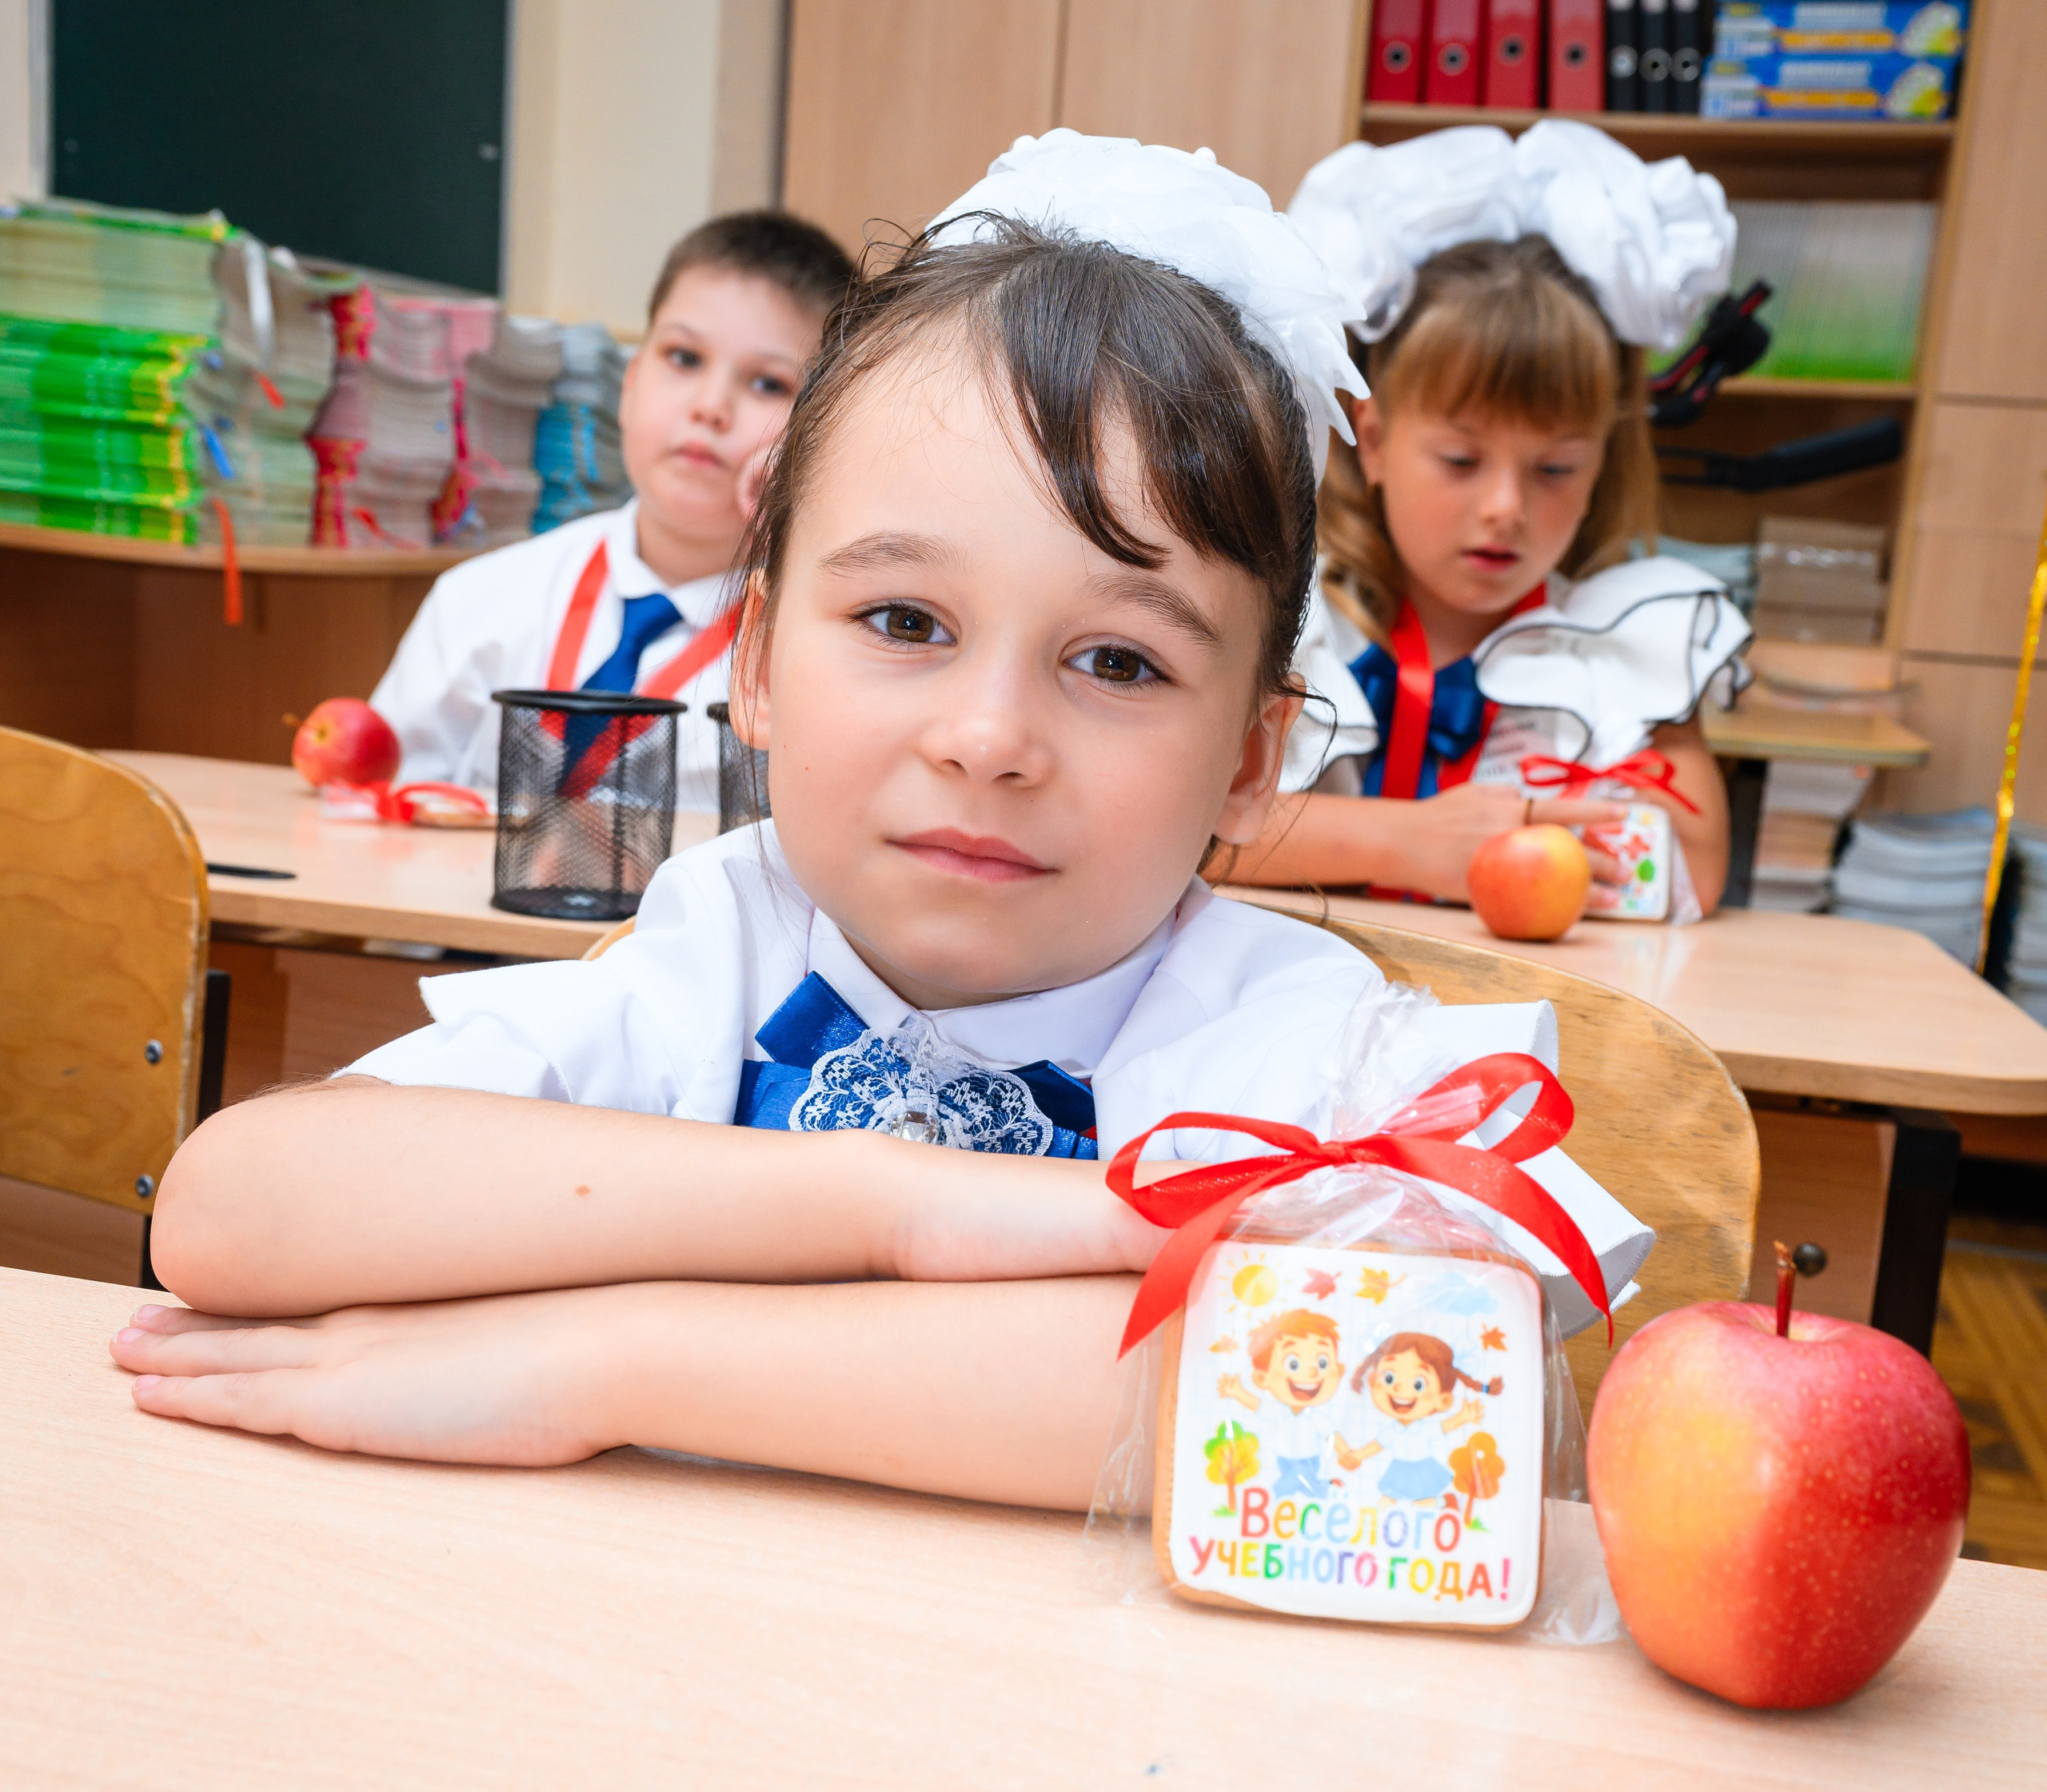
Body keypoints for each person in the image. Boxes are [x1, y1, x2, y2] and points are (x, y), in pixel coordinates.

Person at [112, 134, 1640, 1513]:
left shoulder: (1294, 1046)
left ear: (1253, 759)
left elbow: (1392, 1401)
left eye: (1118, 661)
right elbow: (233, 1211)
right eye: (907, 619)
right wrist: (907, 1208)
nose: (988, 737)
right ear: (756, 663)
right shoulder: (719, 947)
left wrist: (612, 1360)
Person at [1223, 124, 1750, 913]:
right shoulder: (1292, 625)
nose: (1506, 508)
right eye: (1461, 461)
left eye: (1554, 469)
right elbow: (1187, 835)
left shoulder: (1623, 647)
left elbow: (1690, 872)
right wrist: (1406, 840)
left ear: (1600, 464)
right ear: (1374, 441)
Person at [370, 211, 856, 811]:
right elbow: (374, 803)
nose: (711, 406)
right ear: (628, 387)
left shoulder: (817, 656)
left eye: (769, 385)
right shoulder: (479, 602)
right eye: (684, 357)